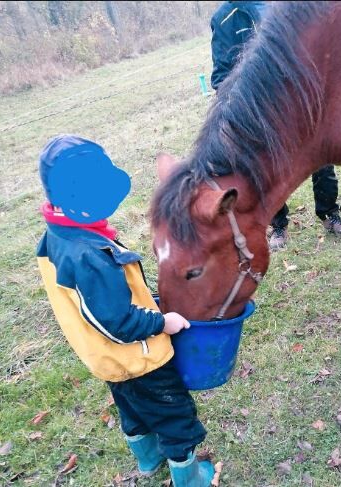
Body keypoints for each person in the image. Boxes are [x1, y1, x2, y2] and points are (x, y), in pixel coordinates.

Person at [36, 135, 214, 487]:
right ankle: (189, 478)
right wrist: (164, 321)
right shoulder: (89, 256)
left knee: (133, 411)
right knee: (175, 416)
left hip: (108, 361)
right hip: (140, 359)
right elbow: (117, 322)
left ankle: (148, 461)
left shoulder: (57, 236)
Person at [210, 1, 341, 251]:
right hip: (263, 111)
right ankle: (279, 225)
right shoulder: (224, 18)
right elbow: (221, 76)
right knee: (269, 170)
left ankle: (330, 214)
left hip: (300, 99)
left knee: (321, 161)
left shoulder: (281, 6)